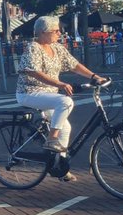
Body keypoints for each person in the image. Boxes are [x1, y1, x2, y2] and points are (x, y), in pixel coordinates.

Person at [15, 15, 106, 182]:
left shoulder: (57, 48)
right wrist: (60, 83)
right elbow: (33, 72)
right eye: (56, 30)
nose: (60, 33)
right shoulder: (33, 48)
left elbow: (74, 65)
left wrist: (94, 76)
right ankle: (51, 140)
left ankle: (59, 167)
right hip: (29, 93)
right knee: (65, 101)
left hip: (49, 94)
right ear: (43, 32)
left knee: (65, 128)